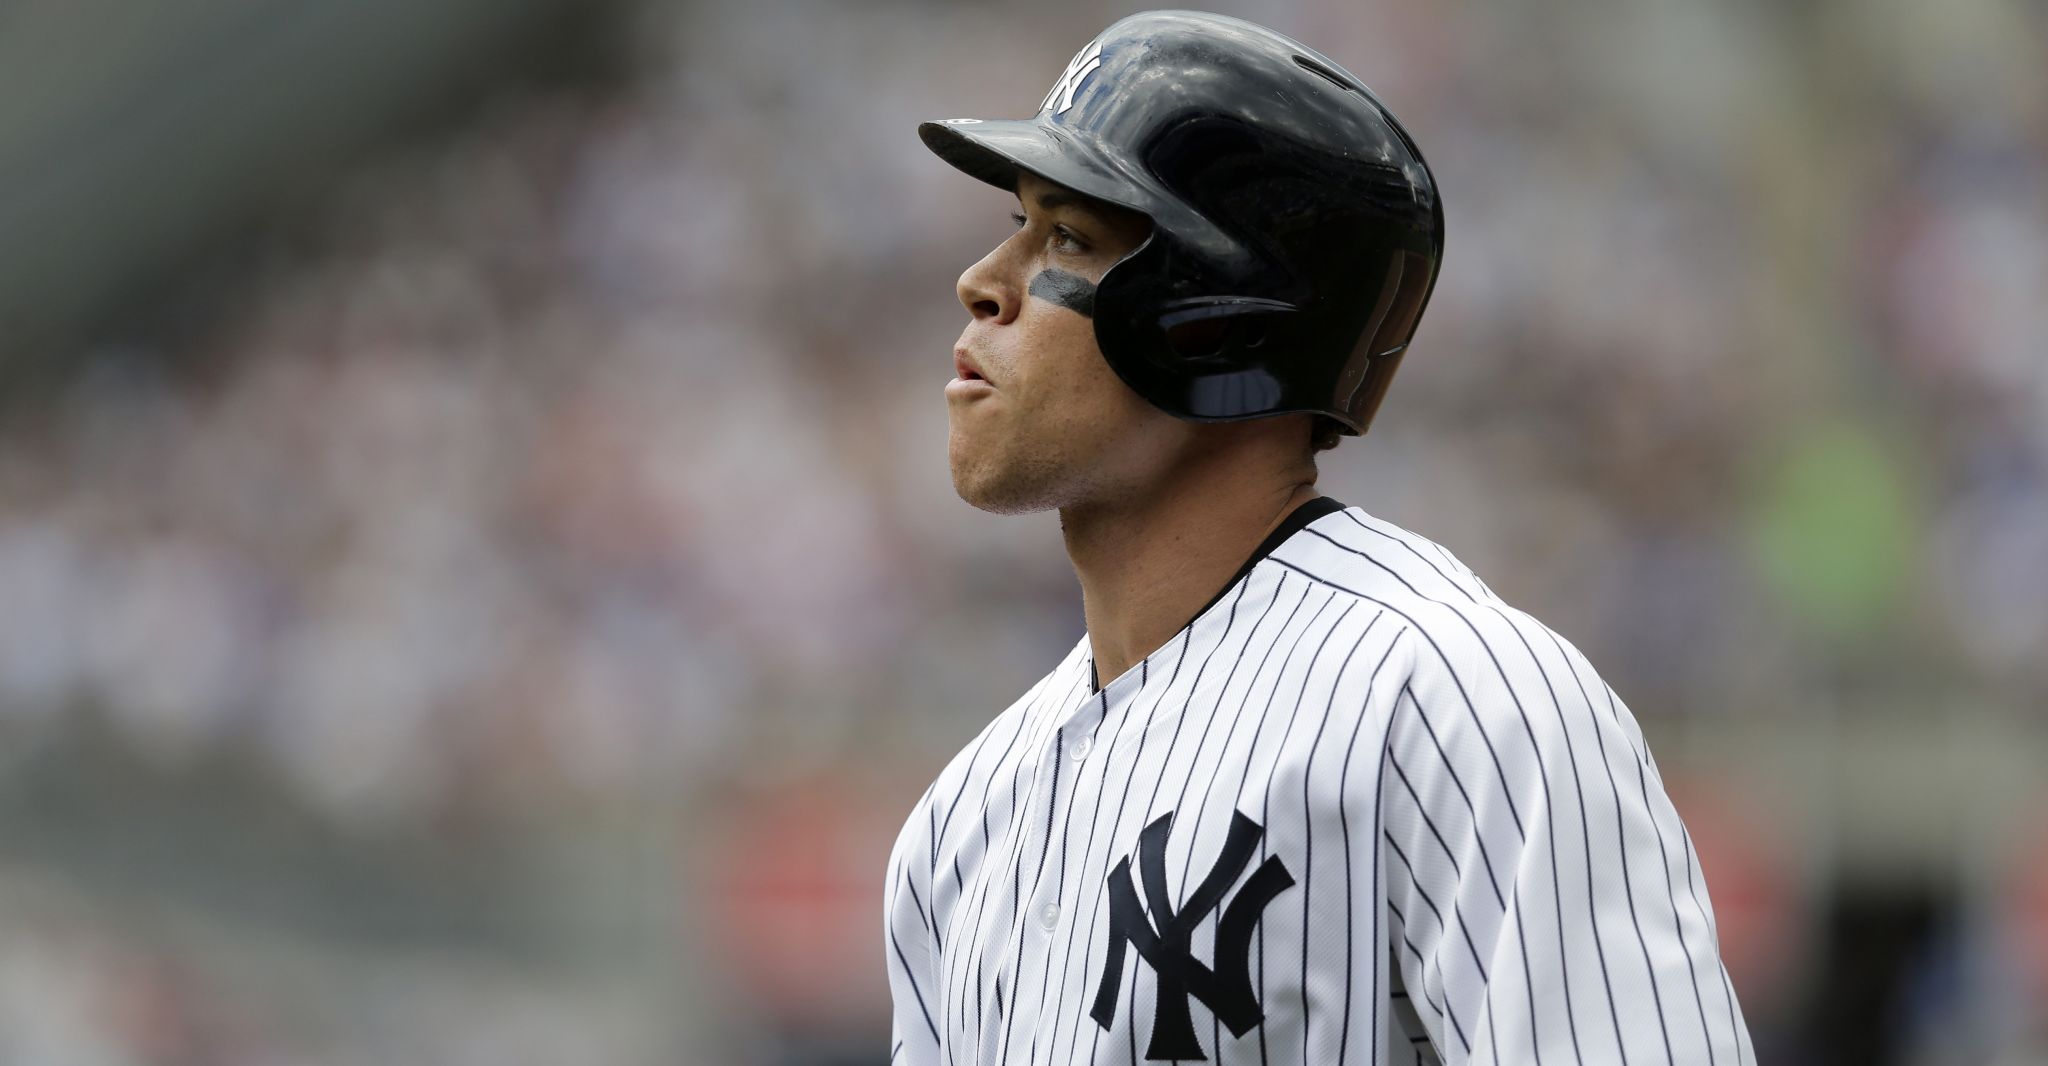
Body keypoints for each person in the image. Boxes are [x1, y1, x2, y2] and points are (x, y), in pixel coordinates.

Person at [885, 11, 1755, 1064]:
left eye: (1066, 235)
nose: (984, 278)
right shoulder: (960, 828)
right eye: (1019, 222)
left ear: (1213, 316)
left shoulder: (1455, 699)